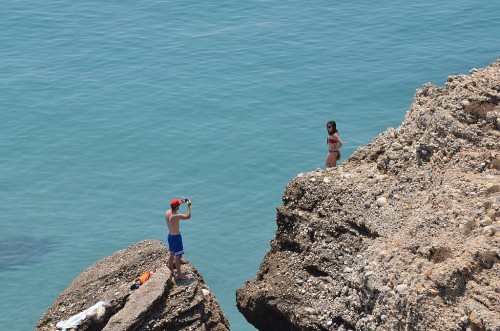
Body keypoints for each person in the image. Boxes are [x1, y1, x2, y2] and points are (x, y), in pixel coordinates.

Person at [165, 197, 191, 280]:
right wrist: (188, 206)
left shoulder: (168, 212)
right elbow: (188, 216)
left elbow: (176, 205)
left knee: (171, 254)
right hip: (176, 238)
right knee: (178, 256)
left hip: (170, 236)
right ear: (176, 207)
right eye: (178, 205)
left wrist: (184, 201)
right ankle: (179, 275)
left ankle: (171, 270)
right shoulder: (176, 215)